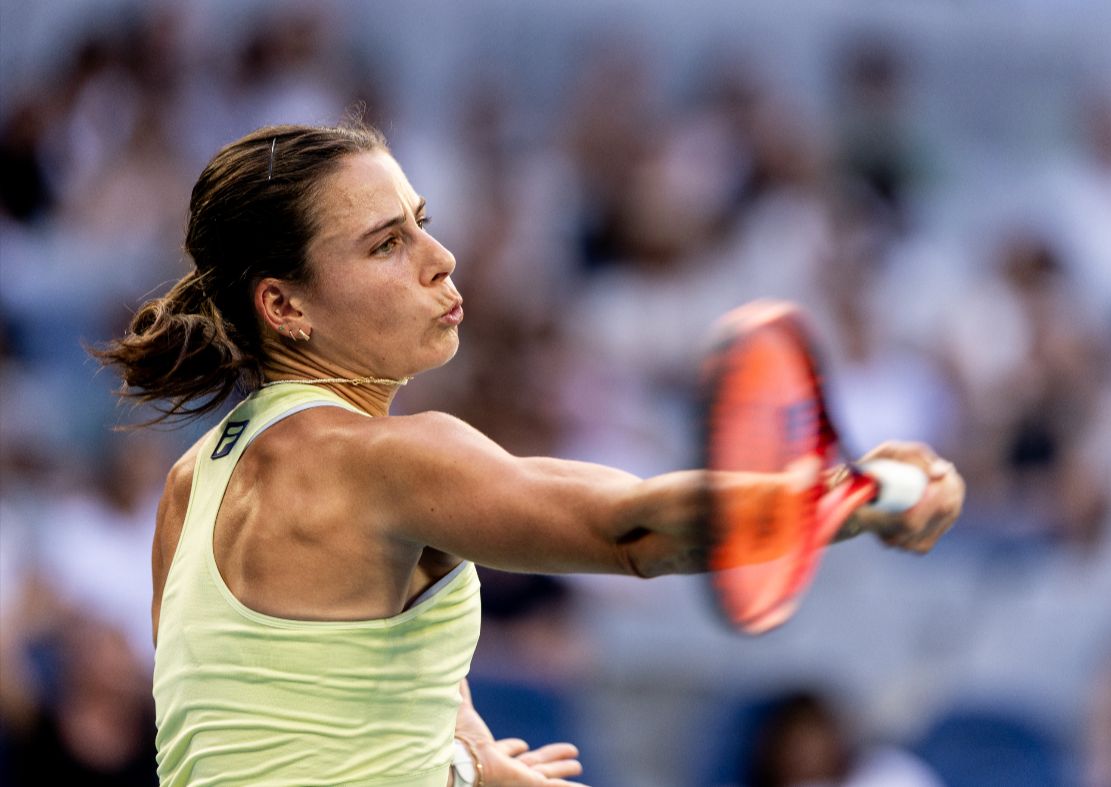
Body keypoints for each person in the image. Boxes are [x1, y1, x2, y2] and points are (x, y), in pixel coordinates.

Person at [92, 122, 966, 787]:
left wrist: (466, 758)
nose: (441, 259)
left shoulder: (188, 485)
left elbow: (284, 716)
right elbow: (633, 530)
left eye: (422, 224)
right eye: (386, 244)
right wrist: (857, 497)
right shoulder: (386, 459)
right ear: (285, 306)